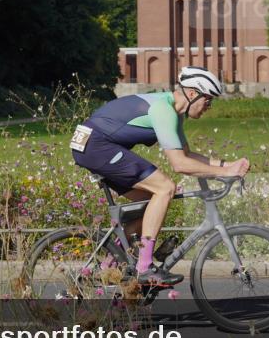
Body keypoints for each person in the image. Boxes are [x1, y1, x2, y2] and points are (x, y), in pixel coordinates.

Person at [71, 66, 249, 285]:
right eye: (208, 100)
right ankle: (144, 268)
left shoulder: (173, 111)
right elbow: (180, 164)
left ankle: (109, 265)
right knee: (165, 188)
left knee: (148, 203)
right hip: (96, 145)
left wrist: (228, 165)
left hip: (93, 144)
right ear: (192, 94)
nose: (208, 107)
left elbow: (187, 154)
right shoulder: (163, 110)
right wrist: (224, 173)